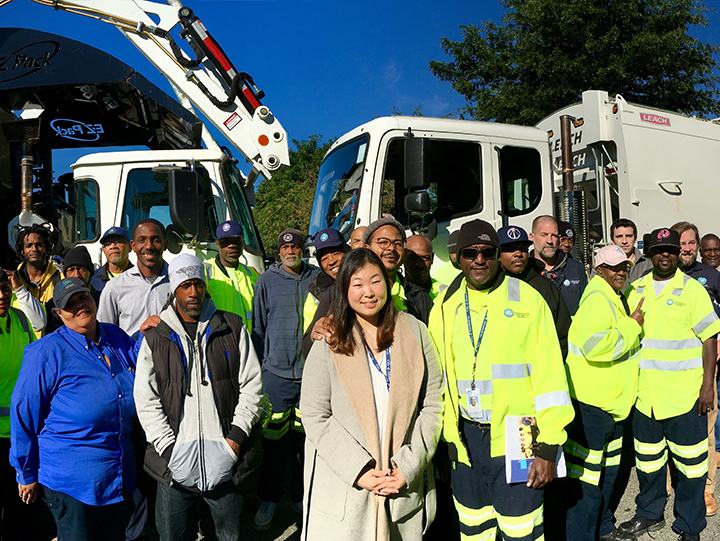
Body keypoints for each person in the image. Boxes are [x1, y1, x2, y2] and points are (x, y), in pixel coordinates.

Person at [429, 219, 574, 540]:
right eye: (470, 253)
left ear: (497, 255)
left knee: (521, 531)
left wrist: (548, 448)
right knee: (474, 531)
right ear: (458, 258)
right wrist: (444, 445)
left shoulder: (526, 298)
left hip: (519, 435)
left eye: (486, 252)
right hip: (464, 441)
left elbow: (551, 377)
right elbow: (436, 380)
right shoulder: (444, 305)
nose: (478, 260)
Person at [300, 248, 443, 540]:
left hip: (400, 485)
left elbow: (433, 402)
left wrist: (409, 465)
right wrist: (359, 469)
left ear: (388, 284)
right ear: (344, 289)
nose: (368, 292)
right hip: (347, 488)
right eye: (357, 284)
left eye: (375, 281)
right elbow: (314, 414)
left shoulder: (415, 331)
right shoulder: (329, 339)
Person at [134, 254, 264, 541]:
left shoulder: (232, 327)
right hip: (174, 467)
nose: (193, 292)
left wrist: (234, 441)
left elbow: (253, 385)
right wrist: (169, 450)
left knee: (229, 537)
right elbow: (146, 399)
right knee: (173, 537)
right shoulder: (157, 336)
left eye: (198, 284)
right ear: (174, 289)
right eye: (185, 285)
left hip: (226, 463)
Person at [10, 277, 137, 541]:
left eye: (83, 297)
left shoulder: (116, 337)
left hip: (119, 476)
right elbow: (23, 413)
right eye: (70, 304)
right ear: (59, 313)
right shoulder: (47, 352)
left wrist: (156, 329)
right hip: (73, 484)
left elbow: (146, 357)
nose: (80, 306)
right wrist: (26, 472)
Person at [618, 228, 720, 541]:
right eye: (660, 250)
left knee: (691, 468)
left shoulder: (692, 290)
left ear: (678, 255)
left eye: (671, 250)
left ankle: (690, 526)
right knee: (648, 465)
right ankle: (649, 514)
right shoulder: (636, 288)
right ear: (650, 253)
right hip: (645, 396)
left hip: (685, 397)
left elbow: (709, 338)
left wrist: (707, 388)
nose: (665, 255)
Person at [563, 245, 644, 541]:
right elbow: (596, 347)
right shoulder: (598, 298)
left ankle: (602, 528)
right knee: (587, 484)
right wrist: (632, 326)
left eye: (624, 267)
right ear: (599, 271)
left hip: (611, 406)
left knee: (607, 477)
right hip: (592, 408)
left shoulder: (613, 296)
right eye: (614, 268)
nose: (621, 272)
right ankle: (583, 535)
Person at [251, 228, 318, 530]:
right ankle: (269, 498)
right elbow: (259, 329)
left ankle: (301, 497)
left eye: (296, 247)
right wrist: (265, 367)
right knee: (273, 442)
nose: (291, 252)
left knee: (307, 443)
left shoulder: (317, 278)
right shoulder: (266, 280)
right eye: (285, 248)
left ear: (304, 249)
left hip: (311, 376)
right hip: (276, 375)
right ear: (278, 252)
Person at [670, 221, 720, 517]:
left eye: (691, 243)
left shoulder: (710, 275)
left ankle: (707, 490)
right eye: (681, 244)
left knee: (707, 430)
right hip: (671, 373)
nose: (686, 248)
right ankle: (669, 488)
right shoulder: (659, 277)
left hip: (705, 369)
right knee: (673, 434)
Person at [497, 225, 571, 358]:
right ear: (497, 255)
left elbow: (563, 335)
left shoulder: (545, 287)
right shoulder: (491, 287)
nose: (518, 254)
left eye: (523, 249)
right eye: (510, 249)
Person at [97, 219, 172, 338]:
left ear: (166, 244)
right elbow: (105, 334)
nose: (148, 246)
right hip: (132, 356)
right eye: (142, 240)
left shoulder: (179, 282)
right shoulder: (115, 287)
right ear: (133, 246)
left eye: (156, 240)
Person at [363, 218, 433, 323]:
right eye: (383, 242)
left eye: (398, 243)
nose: (391, 248)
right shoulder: (349, 292)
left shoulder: (420, 297)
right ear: (367, 248)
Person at [204, 220, 259, 332]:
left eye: (236, 241)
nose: (232, 246)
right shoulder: (205, 271)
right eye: (226, 242)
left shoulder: (251, 274)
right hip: (218, 340)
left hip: (247, 339)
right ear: (217, 244)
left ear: (243, 242)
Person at [529, 215, 587, 315]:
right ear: (532, 237)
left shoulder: (576, 269)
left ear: (559, 239)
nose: (549, 241)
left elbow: (587, 308)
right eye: (544, 235)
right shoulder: (526, 271)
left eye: (554, 236)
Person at [302, 227, 349, 332]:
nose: (331, 261)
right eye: (324, 259)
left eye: (336, 253)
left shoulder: (364, 279)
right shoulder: (315, 291)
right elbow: (308, 334)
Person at [14, 224, 63, 306]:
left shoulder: (60, 280)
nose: (34, 249)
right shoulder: (13, 281)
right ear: (22, 251)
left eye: (39, 245)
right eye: (29, 246)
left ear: (47, 248)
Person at [611, 218, 653, 289]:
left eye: (628, 236)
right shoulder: (604, 267)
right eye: (619, 236)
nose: (624, 241)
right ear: (612, 241)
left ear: (635, 239)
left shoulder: (649, 265)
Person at [91, 227, 133, 293]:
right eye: (107, 244)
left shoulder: (140, 277)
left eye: (118, 242)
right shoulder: (93, 279)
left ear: (130, 247)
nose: (113, 246)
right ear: (104, 250)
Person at [404, 234, 443, 300]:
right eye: (412, 258)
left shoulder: (444, 293)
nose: (419, 264)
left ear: (432, 258)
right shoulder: (392, 293)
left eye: (425, 257)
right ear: (402, 257)